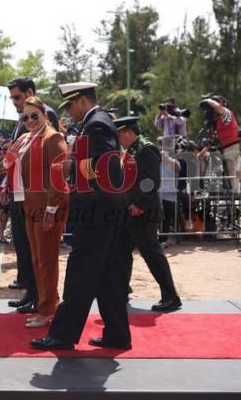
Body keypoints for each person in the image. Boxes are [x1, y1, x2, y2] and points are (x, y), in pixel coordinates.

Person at [31, 82, 130, 351]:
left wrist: (72, 167)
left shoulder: (96, 123)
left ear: (84, 101)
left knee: (80, 270)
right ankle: (118, 333)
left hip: (97, 208)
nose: (70, 111)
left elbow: (104, 163)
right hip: (104, 207)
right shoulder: (98, 121)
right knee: (106, 274)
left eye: (71, 105)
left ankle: (62, 335)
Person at [4, 97, 69, 329]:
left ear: (45, 115)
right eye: (25, 117)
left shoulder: (53, 137)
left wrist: (52, 209)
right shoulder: (25, 138)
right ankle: (48, 303)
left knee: (46, 260)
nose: (30, 120)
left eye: (35, 116)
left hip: (47, 206)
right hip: (28, 204)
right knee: (37, 259)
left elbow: (59, 175)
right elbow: (7, 163)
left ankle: (46, 310)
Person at [115, 116, 182, 312]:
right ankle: (121, 290)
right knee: (120, 252)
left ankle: (171, 296)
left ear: (128, 132)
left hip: (143, 212)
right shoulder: (131, 150)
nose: (117, 138)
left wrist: (139, 204)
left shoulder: (146, 149)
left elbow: (150, 181)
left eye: (119, 133)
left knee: (152, 255)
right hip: (130, 211)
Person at [200, 96, 241, 193]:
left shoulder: (226, 112)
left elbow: (218, 107)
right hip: (224, 146)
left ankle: (234, 191)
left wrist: (208, 100)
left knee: (231, 168)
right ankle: (218, 188)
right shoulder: (217, 119)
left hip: (232, 145)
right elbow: (213, 136)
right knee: (220, 168)